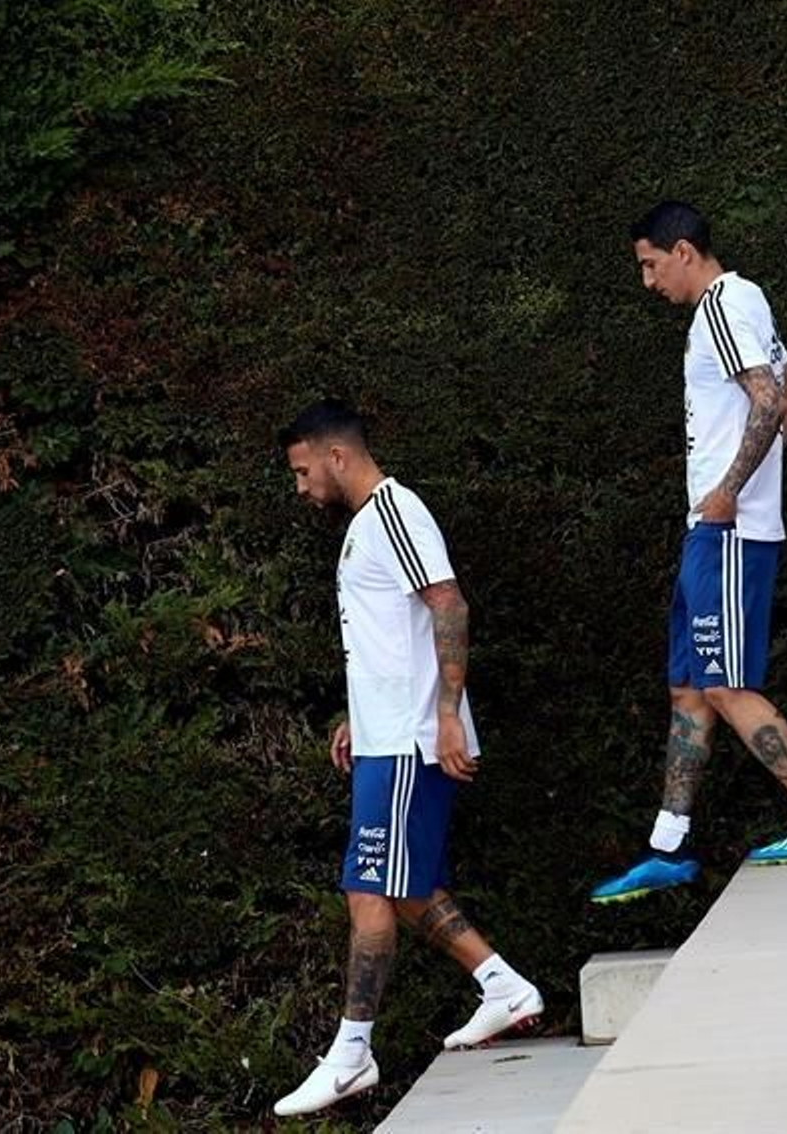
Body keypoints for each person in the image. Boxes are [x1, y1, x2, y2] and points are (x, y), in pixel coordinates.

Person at [273, 399, 543, 1118]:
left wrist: (446, 715)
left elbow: (449, 606)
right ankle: (503, 985)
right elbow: (392, 637)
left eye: (303, 471)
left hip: (409, 743)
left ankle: (352, 1053)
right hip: (385, 735)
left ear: (337, 456)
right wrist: (357, 718)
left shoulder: (395, 513)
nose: (300, 488)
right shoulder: (367, 527)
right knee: (403, 885)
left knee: (368, 891)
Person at [590, 201, 787, 906]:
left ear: (683, 252)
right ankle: (668, 846)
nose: (649, 282)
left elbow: (770, 401)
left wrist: (731, 492)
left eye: (651, 265)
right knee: (690, 686)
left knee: (727, 684)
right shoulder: (747, 299)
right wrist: (756, 485)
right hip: (716, 527)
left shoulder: (719, 306)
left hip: (726, 530)